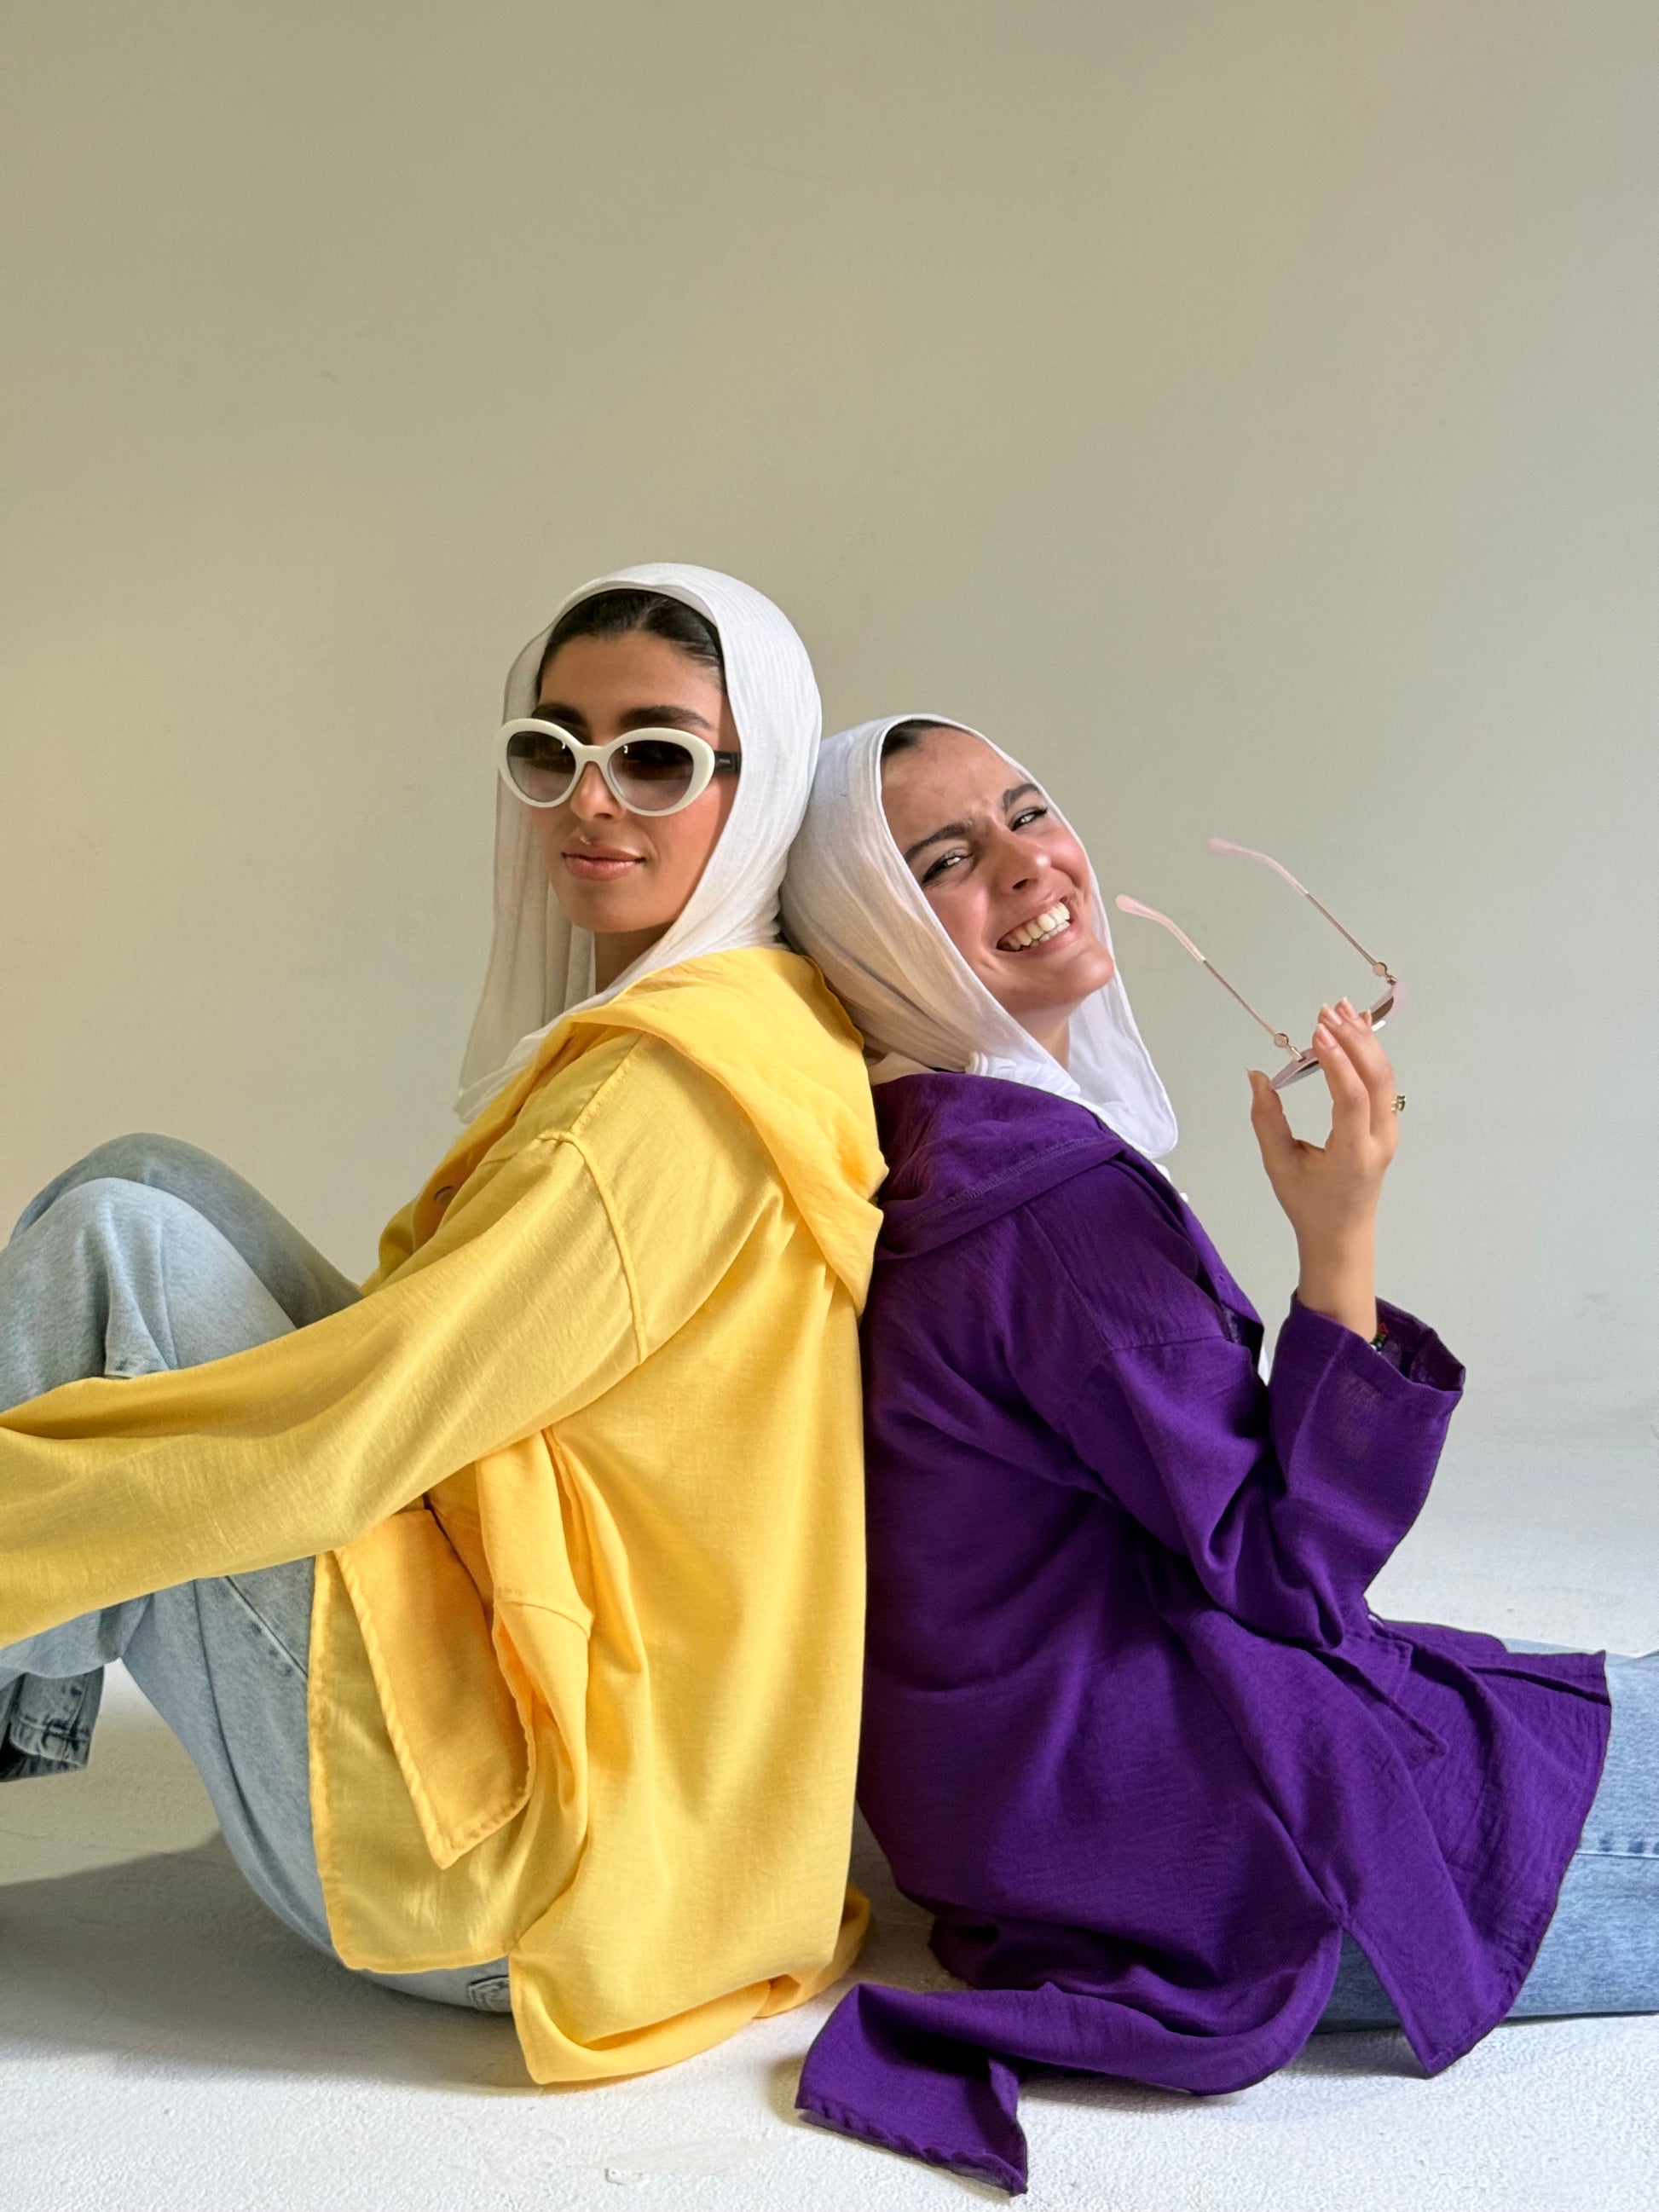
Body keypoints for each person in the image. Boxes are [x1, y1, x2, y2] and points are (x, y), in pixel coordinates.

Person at [0, 563, 884, 2084]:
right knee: (141, 1179)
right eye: (553, 750)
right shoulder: (759, 1017)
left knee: (112, 1247)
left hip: (533, 1886)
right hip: (617, 1777)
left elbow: (362, 1428)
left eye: (656, 758)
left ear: (763, 787)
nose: (589, 801)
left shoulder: (664, 1101)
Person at [780, 714, 1647, 2195]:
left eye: (1026, 811)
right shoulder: (1049, 1208)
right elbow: (1289, 1578)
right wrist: (1340, 1240)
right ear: (872, 940)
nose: (1027, 865)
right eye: (943, 862)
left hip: (1020, 1820)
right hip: (1201, 1834)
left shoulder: (922, 1148)